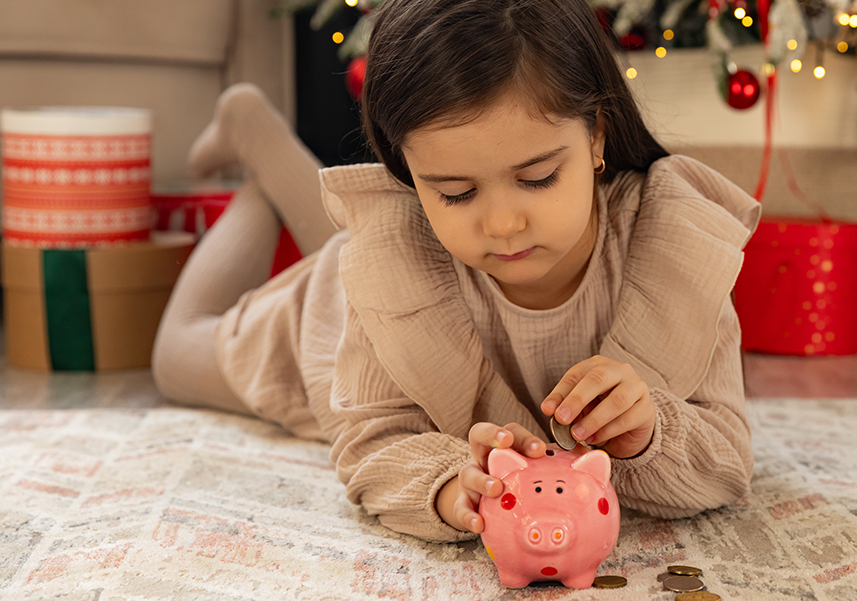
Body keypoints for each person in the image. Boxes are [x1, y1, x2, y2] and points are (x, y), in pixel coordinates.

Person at [152, 0, 761, 543]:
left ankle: (257, 140)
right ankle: (252, 138)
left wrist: (652, 431)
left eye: (538, 178)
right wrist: (446, 489)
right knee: (175, 357)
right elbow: (373, 444)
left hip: (404, 262)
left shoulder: (674, 247)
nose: (502, 224)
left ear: (597, 135)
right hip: (339, 313)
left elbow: (727, 460)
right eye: (454, 192)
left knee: (361, 237)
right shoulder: (392, 260)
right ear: (409, 178)